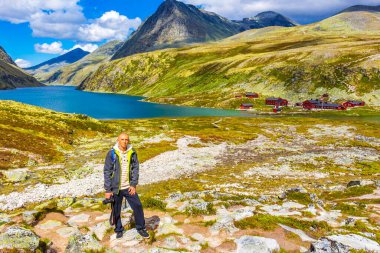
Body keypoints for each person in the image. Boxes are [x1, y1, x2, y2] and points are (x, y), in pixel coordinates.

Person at [103, 132, 150, 239]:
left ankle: (141, 228)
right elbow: (107, 171)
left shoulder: (132, 152)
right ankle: (119, 229)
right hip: (116, 188)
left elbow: (135, 169)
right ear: (118, 140)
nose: (125, 141)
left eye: (126, 139)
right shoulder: (112, 154)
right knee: (116, 209)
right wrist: (108, 190)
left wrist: (133, 184)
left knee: (137, 206)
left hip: (129, 187)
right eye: (122, 139)